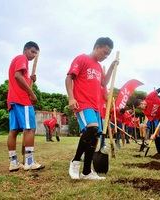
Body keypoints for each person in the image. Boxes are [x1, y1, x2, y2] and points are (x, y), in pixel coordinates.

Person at [65, 37, 118, 180]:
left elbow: (104, 82)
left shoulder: (99, 67)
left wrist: (112, 66)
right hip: (82, 103)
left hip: (96, 106)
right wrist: (71, 98)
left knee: (94, 138)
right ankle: (76, 161)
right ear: (97, 47)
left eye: (108, 54)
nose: (105, 56)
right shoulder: (82, 59)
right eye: (105, 52)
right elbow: (69, 78)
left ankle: (87, 171)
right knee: (92, 128)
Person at [7, 41, 45, 172]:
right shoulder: (21, 58)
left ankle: (13, 163)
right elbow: (18, 76)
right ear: (25, 50)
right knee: (30, 129)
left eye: (36, 53)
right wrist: (32, 93)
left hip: (12, 100)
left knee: (14, 131)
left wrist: (31, 79)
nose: (34, 55)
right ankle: (29, 162)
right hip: (22, 100)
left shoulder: (20, 63)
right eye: (32, 51)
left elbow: (20, 79)